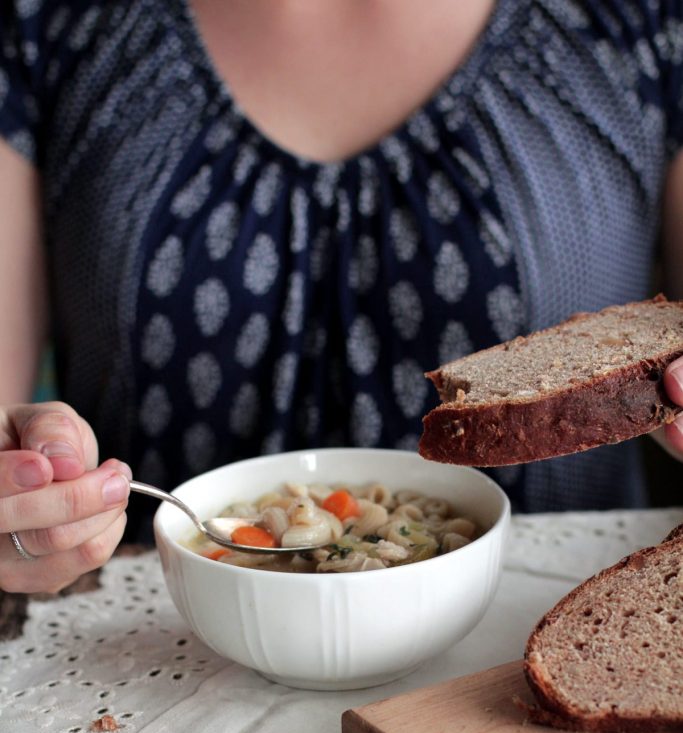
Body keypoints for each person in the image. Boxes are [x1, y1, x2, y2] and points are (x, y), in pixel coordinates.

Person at [0, 0, 682, 595]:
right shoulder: (43, 21)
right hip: (139, 667)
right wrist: (24, 493)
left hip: (537, 650)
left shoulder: (648, 20)